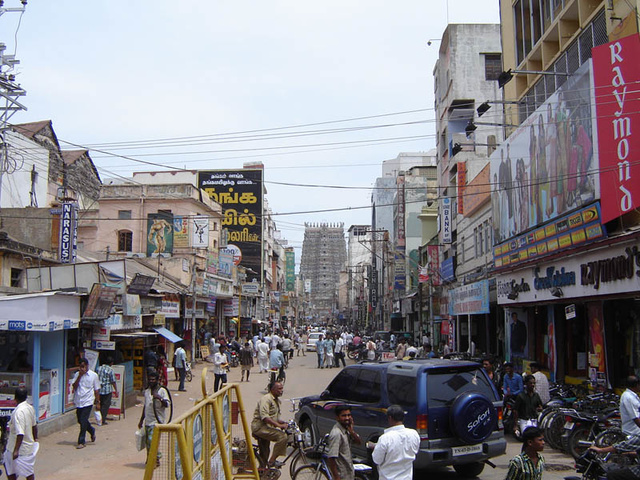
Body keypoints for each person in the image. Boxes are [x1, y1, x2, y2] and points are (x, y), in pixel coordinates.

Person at [370, 405, 420, 480]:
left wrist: (376, 447)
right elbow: (414, 451)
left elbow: (377, 460)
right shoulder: (414, 434)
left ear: (389, 418)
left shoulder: (385, 438)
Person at [251, 381, 288, 467]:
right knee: (282, 437)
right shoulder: (266, 399)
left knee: (264, 454)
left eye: (282, 388)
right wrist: (279, 425)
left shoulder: (276, 400)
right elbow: (265, 417)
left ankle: (263, 472)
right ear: (272, 389)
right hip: (260, 427)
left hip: (266, 427)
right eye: (279, 389)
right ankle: (272, 462)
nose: (281, 391)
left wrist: (282, 422)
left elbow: (274, 416)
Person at [3, 387, 37, 480]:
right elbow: (34, 426)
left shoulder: (18, 412)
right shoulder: (30, 408)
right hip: (28, 448)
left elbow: (20, 433)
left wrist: (16, 450)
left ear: (15, 398)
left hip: (16, 448)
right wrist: (35, 439)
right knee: (28, 471)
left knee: (9, 468)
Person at [138, 370, 170, 468]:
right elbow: (146, 406)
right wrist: (141, 420)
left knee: (152, 440)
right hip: (148, 421)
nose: (151, 381)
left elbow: (167, 404)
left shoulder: (162, 391)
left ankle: (156, 457)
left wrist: (159, 398)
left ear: (157, 380)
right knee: (148, 442)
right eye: (150, 379)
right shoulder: (147, 391)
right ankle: (151, 459)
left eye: (153, 379)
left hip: (157, 421)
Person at [71, 358, 101, 449]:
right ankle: (92, 431)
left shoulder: (93, 376)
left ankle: (81, 441)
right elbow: (74, 387)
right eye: (80, 367)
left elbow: (96, 390)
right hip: (79, 401)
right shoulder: (77, 374)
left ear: (87, 366)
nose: (82, 368)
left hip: (88, 401)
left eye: (83, 366)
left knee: (84, 420)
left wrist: (97, 402)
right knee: (80, 420)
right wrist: (80, 376)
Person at [326, 405, 362, 480]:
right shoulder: (336, 433)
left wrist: (351, 431)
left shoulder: (347, 430)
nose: (347, 418)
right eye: (344, 416)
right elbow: (331, 458)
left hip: (349, 473)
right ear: (337, 418)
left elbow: (358, 442)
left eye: (349, 415)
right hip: (342, 475)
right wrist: (336, 477)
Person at [95, 356, 117, 425]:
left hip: (99, 390)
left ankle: (99, 418)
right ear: (111, 363)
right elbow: (113, 381)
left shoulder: (99, 368)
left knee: (100, 404)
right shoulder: (110, 370)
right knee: (105, 405)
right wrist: (116, 390)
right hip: (107, 390)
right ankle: (103, 420)